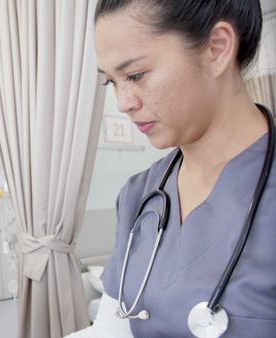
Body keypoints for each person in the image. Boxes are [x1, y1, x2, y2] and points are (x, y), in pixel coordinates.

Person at [68, 0, 275, 337]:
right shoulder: (139, 195)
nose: (124, 103)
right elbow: (112, 330)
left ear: (217, 48)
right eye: (112, 82)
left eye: (135, 75)